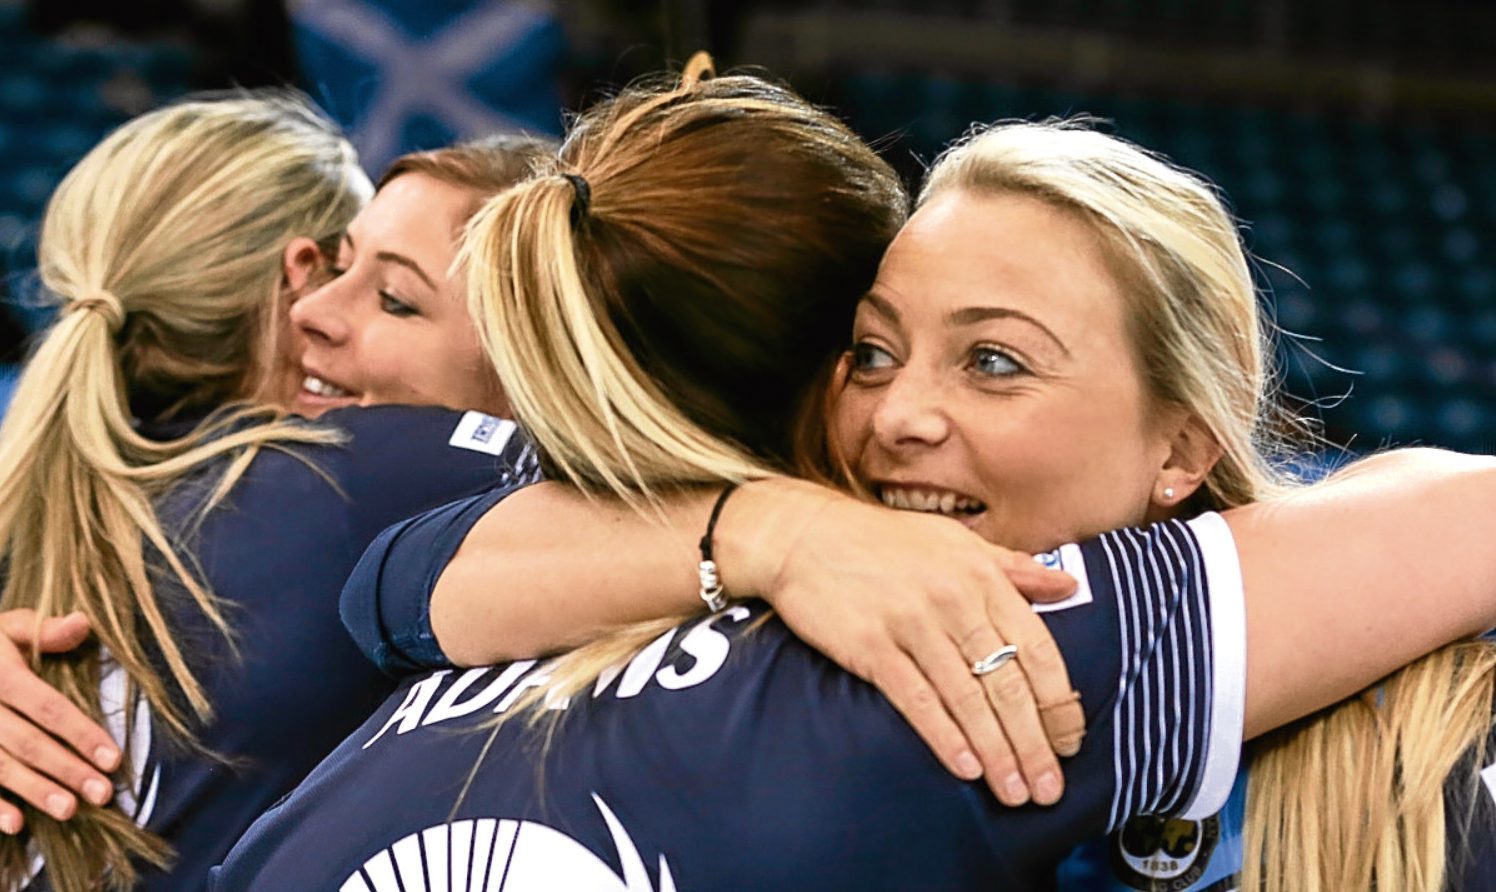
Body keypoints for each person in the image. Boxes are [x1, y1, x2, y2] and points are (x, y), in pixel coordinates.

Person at [211, 64, 1496, 890]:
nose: (900, 417)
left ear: (1182, 444)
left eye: (995, 362)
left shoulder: (1081, 643)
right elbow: (399, 581)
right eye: (869, 351)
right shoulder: (840, 645)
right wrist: (768, 533)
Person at [0, 95, 544, 891]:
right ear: (289, 276)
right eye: (337, 267)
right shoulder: (353, 476)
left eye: (392, 295)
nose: (320, 310)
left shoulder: (53, 476)